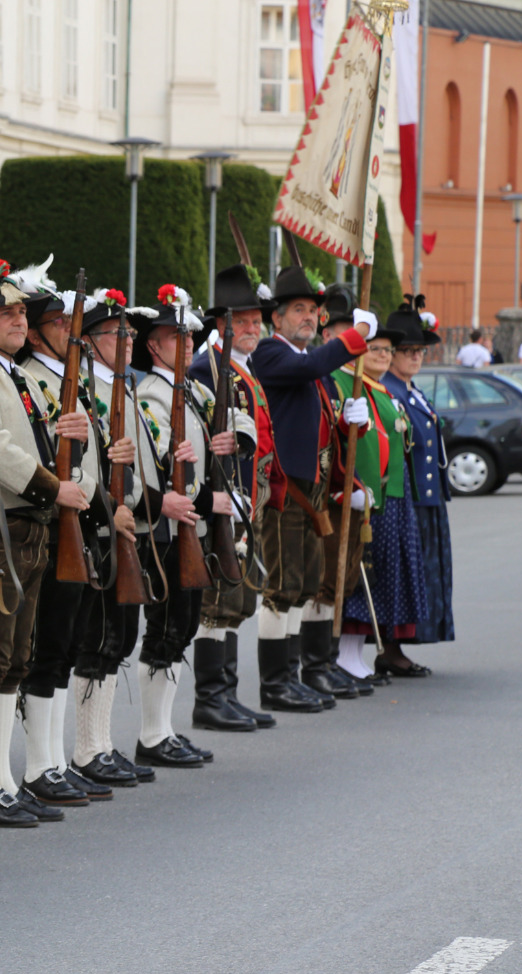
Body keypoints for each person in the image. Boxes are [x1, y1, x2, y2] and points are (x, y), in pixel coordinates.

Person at [0, 258, 89, 828]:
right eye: (4, 311)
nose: (17, 319)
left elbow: (39, 437)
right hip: (2, 521)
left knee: (15, 657)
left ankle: (4, 780)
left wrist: (74, 445)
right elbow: (1, 449)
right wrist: (56, 488)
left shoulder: (18, 373)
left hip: (30, 522)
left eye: (19, 311)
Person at [248, 265, 371, 714]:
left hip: (313, 486)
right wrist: (355, 337)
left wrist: (345, 422)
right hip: (285, 487)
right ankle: (274, 683)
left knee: (304, 586)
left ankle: (296, 673)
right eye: (297, 309)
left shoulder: (306, 361)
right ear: (275, 319)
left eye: (312, 310)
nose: (308, 317)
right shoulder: (270, 352)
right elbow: (313, 365)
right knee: (282, 586)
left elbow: (317, 417)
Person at [14, 276, 116, 805]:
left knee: (66, 644)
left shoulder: (69, 380)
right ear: (35, 335)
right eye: (57, 323)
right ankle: (38, 765)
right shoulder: (35, 378)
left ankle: (54, 759)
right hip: (50, 521)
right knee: (45, 647)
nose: (70, 332)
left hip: (80, 518)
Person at [128, 286, 233, 767]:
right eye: (178, 336)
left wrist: (235, 439)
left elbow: (235, 421)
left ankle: (164, 729)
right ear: (155, 346)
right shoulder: (149, 395)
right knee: (166, 628)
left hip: (192, 522)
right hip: (166, 527)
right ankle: (152, 735)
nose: (189, 344)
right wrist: (203, 497)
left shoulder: (195, 391)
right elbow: (155, 466)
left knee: (184, 626)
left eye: (192, 336)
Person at [69, 289, 160, 785]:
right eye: (116, 333)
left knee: (120, 638)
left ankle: (102, 743)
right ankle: (87, 749)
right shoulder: (90, 390)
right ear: (91, 342)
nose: (128, 341)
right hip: (103, 522)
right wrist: (115, 508)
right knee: (99, 638)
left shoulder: (122, 386)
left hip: (129, 521)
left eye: (130, 333)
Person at [187, 264, 281, 733]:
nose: (252, 328)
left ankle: (227, 691)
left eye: (256, 320)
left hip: (248, 497)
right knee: (219, 598)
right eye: (242, 321)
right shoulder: (207, 367)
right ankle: (211, 698)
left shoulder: (241, 367)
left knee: (239, 598)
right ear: (221, 323)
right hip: (223, 498)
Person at [331, 320, 425, 682]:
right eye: (376, 349)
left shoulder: (380, 391)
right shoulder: (354, 386)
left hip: (391, 495)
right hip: (369, 494)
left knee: (378, 574)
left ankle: (358, 656)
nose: (384, 356)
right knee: (361, 572)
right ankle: (345, 656)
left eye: (388, 350)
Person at [383, 298, 454, 663]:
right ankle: (390, 648)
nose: (416, 357)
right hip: (407, 497)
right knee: (404, 577)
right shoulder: (390, 391)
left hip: (428, 499)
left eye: (420, 351)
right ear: (391, 354)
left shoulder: (412, 391)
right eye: (407, 351)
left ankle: (399, 647)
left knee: (423, 575)